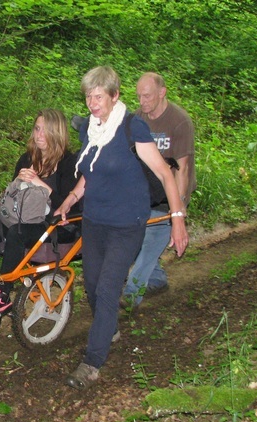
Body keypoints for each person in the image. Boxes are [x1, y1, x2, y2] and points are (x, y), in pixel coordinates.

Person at [55, 66, 188, 390]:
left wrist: (177, 220)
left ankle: (92, 361)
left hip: (127, 223)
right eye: (88, 95)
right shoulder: (91, 130)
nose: (91, 101)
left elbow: (165, 174)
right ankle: (108, 323)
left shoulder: (133, 128)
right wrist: (71, 199)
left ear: (114, 96)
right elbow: (91, 170)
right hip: (95, 220)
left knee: (108, 287)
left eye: (98, 95)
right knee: (93, 284)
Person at [0, 109, 81, 316]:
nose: (39, 135)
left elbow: (71, 207)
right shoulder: (27, 159)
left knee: (16, 232)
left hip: (57, 225)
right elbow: (12, 196)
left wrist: (39, 183)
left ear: (57, 133)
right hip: (24, 219)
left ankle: (2, 292)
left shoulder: (69, 163)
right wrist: (17, 183)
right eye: (37, 129)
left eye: (45, 131)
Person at [121, 72, 196, 309]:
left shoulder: (179, 122)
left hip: (167, 196)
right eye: (139, 96)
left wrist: (178, 209)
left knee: (151, 242)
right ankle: (157, 279)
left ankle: (132, 295)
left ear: (162, 93)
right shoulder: (138, 119)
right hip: (142, 194)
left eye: (147, 96)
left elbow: (182, 169)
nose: (142, 101)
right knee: (133, 240)